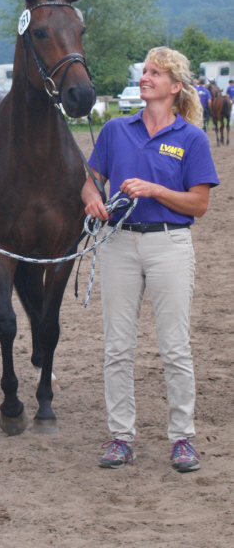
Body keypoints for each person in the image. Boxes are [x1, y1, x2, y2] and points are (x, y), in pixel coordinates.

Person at [82, 47, 219, 473]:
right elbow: (92, 180)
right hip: (118, 244)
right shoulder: (114, 130)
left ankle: (182, 438)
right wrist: (91, 199)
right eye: (144, 71)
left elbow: (199, 204)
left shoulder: (191, 138)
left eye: (154, 73)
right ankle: (120, 437)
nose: (145, 77)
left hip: (169, 245)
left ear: (175, 86)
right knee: (117, 347)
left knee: (174, 347)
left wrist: (155, 190)